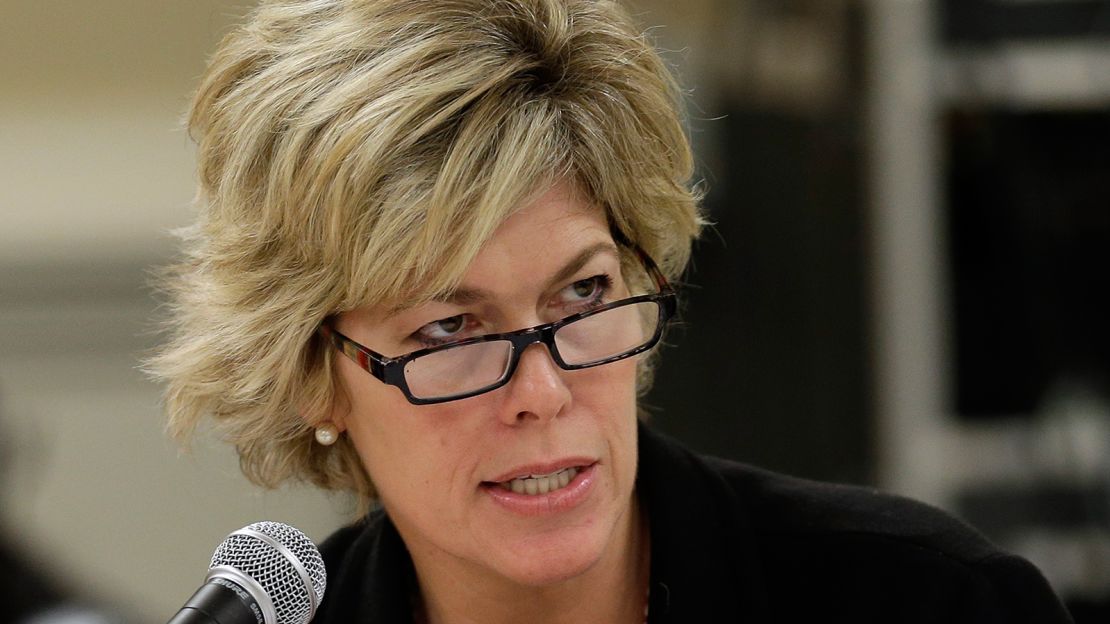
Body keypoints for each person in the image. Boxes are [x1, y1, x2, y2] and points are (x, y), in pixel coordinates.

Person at [150, 0, 1075, 622]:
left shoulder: (928, 603)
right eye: (449, 330)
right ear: (314, 376)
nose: (543, 391)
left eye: (584, 294)